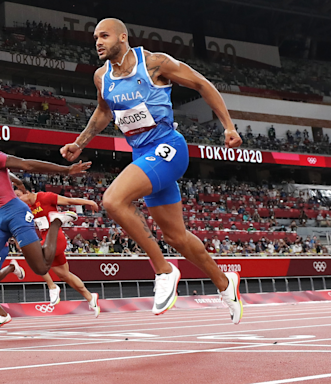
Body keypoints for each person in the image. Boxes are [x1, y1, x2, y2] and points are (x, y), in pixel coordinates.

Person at [60, 18, 244, 324]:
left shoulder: (154, 64)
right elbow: (104, 111)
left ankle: (163, 270)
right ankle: (226, 285)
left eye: (104, 36)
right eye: (95, 38)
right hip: (144, 155)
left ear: (123, 36)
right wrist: (80, 143)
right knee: (177, 237)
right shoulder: (101, 77)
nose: (98, 42)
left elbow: (202, 83)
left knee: (113, 200)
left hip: (169, 148)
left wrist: (228, 126)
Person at [0, 152, 89, 326]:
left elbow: (27, 164)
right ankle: (3, 315)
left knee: (41, 267)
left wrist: (67, 170)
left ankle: (55, 221)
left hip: (14, 212)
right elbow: (7, 171)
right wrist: (15, 180)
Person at [16, 188, 101, 317]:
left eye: (18, 195)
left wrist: (88, 202)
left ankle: (52, 286)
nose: (16, 198)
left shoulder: (45, 197)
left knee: (34, 257)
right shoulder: (25, 207)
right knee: (65, 275)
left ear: (26, 192)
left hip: (56, 240)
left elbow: (68, 200)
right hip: (47, 243)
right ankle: (90, 297)